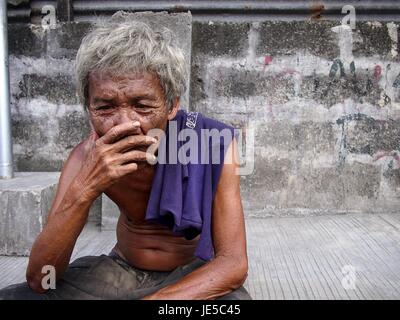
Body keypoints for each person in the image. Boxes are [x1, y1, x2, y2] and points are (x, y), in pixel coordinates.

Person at [0, 12, 251, 300]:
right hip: (119, 273)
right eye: (105, 108)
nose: (124, 123)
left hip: (191, 273)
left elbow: (233, 264)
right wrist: (84, 188)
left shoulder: (211, 144)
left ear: (172, 106)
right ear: (88, 107)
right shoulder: (87, 156)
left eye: (142, 105)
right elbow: (41, 278)